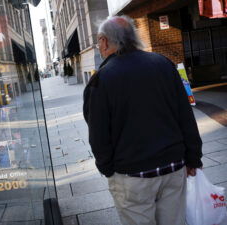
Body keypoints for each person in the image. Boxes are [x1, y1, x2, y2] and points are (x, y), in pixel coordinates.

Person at [83, 16, 203, 225]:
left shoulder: (101, 79)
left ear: (104, 41)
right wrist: (193, 157)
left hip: (131, 174)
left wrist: (108, 169)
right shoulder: (163, 64)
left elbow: (98, 134)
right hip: (173, 167)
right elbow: (185, 115)